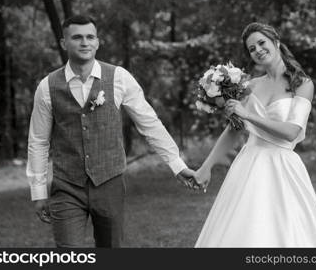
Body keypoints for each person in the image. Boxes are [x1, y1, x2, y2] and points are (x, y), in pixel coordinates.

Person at [26, 15, 197, 248]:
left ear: (98, 42)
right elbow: (38, 141)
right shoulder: (47, 87)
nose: (84, 42)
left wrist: (177, 165)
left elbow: (149, 124)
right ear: (64, 43)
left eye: (90, 37)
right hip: (67, 186)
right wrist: (38, 192)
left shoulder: (119, 78)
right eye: (77, 37)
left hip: (109, 183)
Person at [193, 22, 316, 247]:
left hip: (282, 165)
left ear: (276, 42)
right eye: (252, 49)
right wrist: (207, 166)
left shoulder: (302, 84)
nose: (258, 50)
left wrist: (248, 115)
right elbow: (234, 130)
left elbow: (292, 132)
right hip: (249, 163)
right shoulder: (249, 86)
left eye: (262, 43)